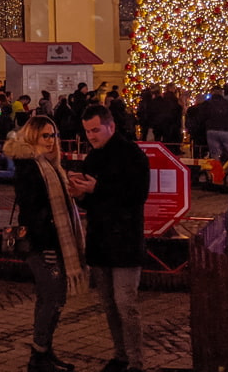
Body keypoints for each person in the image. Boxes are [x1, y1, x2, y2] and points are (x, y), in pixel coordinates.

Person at [67, 104, 150, 372]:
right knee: (109, 304)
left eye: (95, 130)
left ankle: (136, 362)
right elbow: (93, 203)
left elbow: (137, 195)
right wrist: (81, 195)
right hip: (101, 242)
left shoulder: (132, 155)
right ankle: (120, 355)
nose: (91, 136)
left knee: (126, 303)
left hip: (125, 241)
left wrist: (97, 188)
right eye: (87, 131)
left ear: (110, 126)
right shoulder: (93, 158)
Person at [4, 114, 85, 372]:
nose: (52, 141)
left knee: (50, 298)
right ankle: (38, 355)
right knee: (53, 298)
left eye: (54, 135)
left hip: (52, 242)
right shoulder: (30, 166)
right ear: (32, 136)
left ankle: (45, 351)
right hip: (43, 245)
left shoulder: (49, 165)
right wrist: (48, 237)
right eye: (46, 136)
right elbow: (32, 209)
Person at [201, 87, 228, 164]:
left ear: (212, 93)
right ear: (222, 93)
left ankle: (217, 172)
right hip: (227, 130)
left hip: (212, 130)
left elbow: (202, 118)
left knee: (215, 155)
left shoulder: (207, 103)